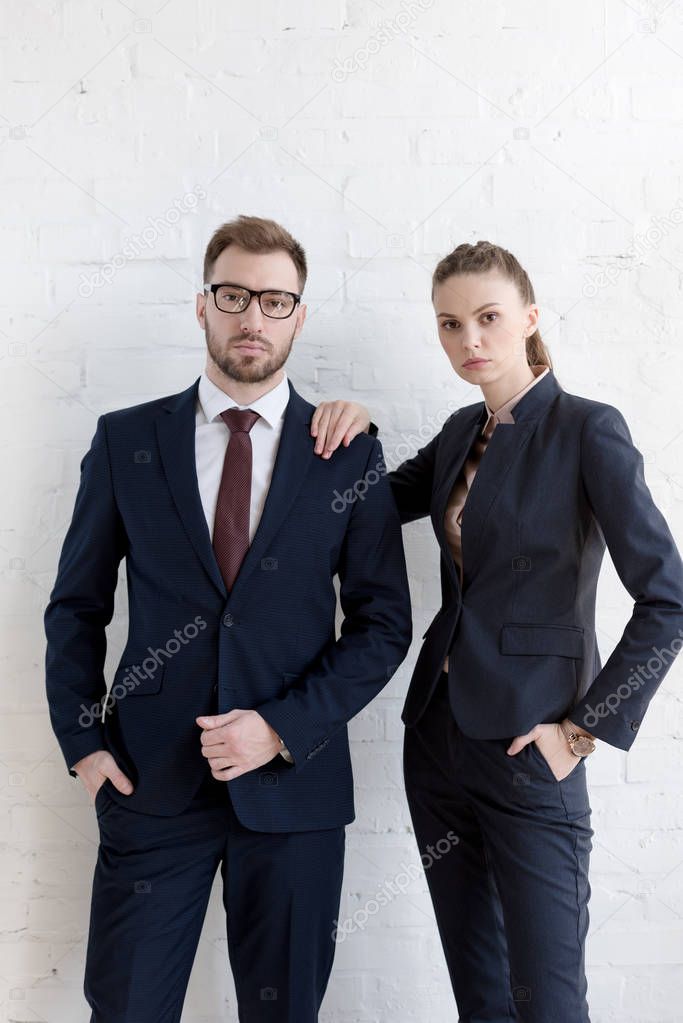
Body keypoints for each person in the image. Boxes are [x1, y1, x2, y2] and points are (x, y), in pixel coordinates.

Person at [44, 215, 412, 1023]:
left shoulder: (346, 453)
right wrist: (83, 743)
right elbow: (76, 606)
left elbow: (384, 624)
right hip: (149, 785)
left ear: (300, 316)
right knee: (127, 1007)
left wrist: (280, 728)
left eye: (275, 301)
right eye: (235, 295)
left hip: (295, 793)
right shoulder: (125, 440)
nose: (253, 318)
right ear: (202, 304)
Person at [310, 240, 683, 1022]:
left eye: (486, 318)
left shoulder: (587, 429)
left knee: (547, 1000)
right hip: (437, 744)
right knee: (481, 996)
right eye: (449, 324)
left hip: (530, 750)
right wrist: (355, 422)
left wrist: (579, 732)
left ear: (529, 319)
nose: (467, 341)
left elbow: (667, 599)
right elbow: (368, 498)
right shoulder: (457, 432)